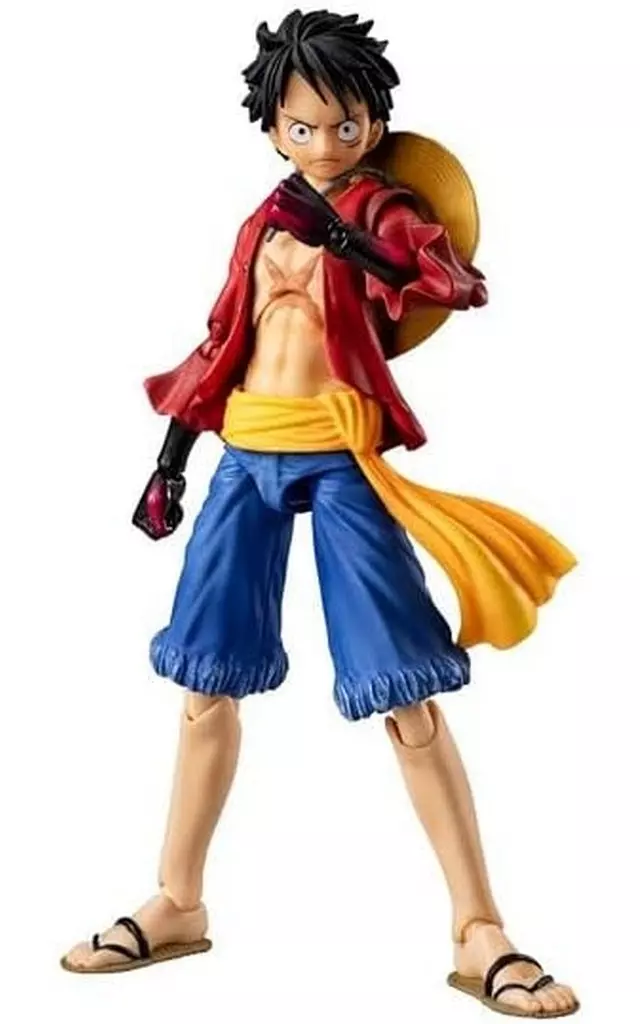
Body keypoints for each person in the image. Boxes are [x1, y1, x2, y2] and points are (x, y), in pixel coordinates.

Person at [62, 9, 579, 1018]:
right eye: (302, 127)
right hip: (244, 452)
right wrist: (169, 460)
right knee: (204, 683)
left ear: (374, 124)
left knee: (405, 692)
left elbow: (453, 283)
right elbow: (223, 342)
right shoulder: (261, 222)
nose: (325, 144)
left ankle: (478, 927)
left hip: (341, 459)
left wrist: (346, 234)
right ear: (272, 128)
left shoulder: (386, 211)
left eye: (345, 126)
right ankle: (177, 898)